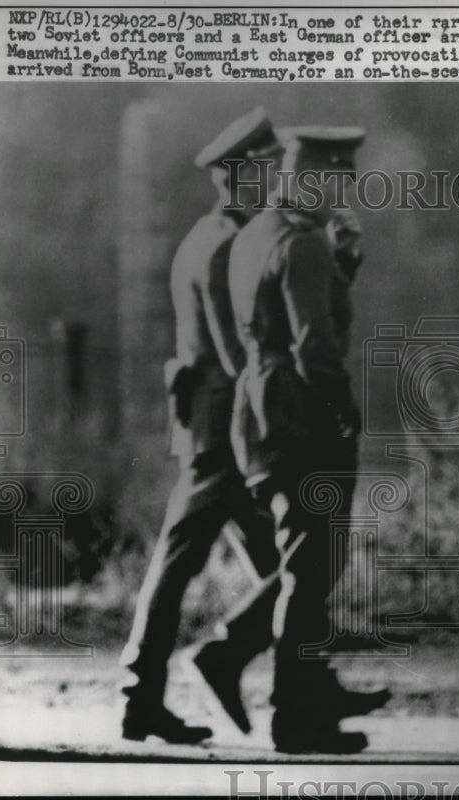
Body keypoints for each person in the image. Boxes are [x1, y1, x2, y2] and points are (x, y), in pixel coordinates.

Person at [120, 108, 285, 744]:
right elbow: (237, 350)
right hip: (226, 434)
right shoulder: (222, 246)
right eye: (267, 171)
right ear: (241, 176)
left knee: (295, 565)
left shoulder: (210, 237)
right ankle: (152, 692)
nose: (275, 182)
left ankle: (224, 665)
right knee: (188, 564)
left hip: (218, 427)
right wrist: (275, 424)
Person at [224, 125, 385, 754]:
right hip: (303, 420)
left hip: (263, 414)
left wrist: (341, 260)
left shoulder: (258, 233)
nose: (342, 197)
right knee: (311, 572)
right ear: (313, 177)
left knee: (306, 567)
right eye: (339, 182)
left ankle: (304, 698)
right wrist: (343, 411)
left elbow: (279, 316)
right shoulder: (302, 245)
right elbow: (314, 344)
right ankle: (295, 718)